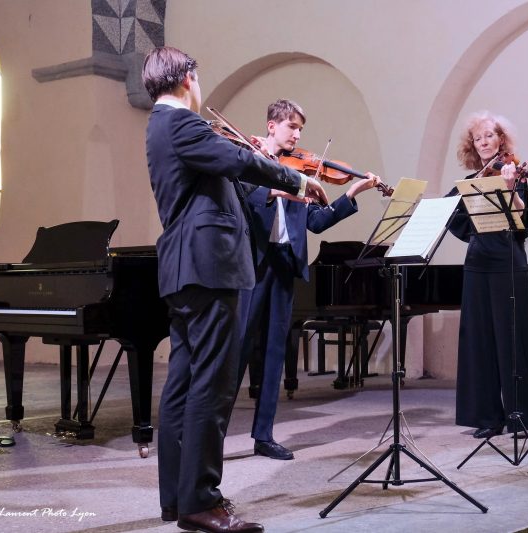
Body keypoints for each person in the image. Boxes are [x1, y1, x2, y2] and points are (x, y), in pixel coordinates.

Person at [142, 47, 327, 533]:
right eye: (198, 78)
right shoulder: (182, 124)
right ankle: (202, 501)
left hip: (185, 269)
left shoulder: (159, 126)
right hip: (209, 267)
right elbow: (240, 162)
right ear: (187, 77)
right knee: (213, 383)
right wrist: (298, 179)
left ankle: (178, 499)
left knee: (182, 385)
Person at [237, 99, 383, 460]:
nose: (297, 135)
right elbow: (246, 197)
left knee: (274, 351)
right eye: (291, 127)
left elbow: (316, 222)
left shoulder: (300, 172)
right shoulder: (252, 162)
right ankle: (211, 432)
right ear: (271, 126)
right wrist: (286, 187)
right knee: (237, 350)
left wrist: (351, 193)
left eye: (300, 129)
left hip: (286, 265)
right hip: (254, 265)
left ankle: (264, 435)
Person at [446, 111, 528, 442]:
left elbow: (523, 221)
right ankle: (489, 417)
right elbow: (454, 218)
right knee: (480, 343)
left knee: (516, 341)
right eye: (477, 139)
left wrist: (510, 189)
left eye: (488, 136)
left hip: (507, 260)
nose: (482, 142)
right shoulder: (471, 182)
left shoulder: (513, 172)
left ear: (500, 139)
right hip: (477, 262)